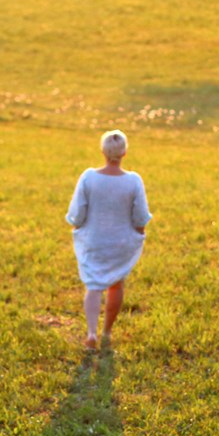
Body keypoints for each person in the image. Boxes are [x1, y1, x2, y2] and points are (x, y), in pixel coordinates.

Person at [66, 130, 152, 349]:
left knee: (93, 285)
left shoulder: (88, 177)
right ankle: (107, 331)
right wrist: (138, 234)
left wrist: (78, 227)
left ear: (102, 151)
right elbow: (140, 215)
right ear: (124, 152)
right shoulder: (133, 181)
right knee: (116, 284)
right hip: (121, 242)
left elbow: (78, 212)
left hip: (95, 240)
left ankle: (91, 332)